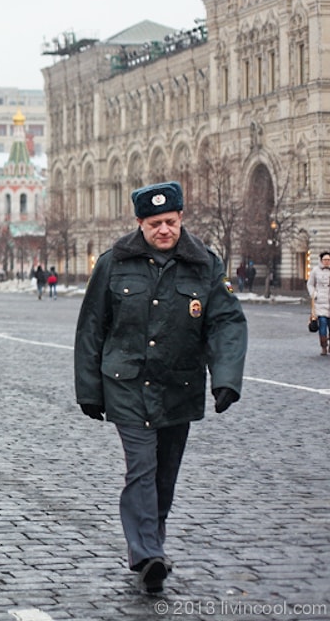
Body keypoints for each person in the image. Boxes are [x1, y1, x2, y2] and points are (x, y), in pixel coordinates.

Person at [74, 181, 247, 595]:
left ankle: (151, 543)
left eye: (170, 221)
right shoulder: (115, 262)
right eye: (154, 224)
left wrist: (226, 379)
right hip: (127, 386)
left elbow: (225, 322)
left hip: (178, 387)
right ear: (140, 223)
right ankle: (149, 553)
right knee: (142, 469)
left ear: (181, 218)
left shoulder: (204, 264)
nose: (164, 230)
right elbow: (92, 327)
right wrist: (89, 390)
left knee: (164, 477)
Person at [307, 251, 330, 356]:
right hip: (320, 302)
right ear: (321, 260)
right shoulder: (315, 271)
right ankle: (324, 346)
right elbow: (310, 284)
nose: (327, 262)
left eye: (328, 260)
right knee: (323, 324)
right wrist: (314, 293)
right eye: (325, 260)